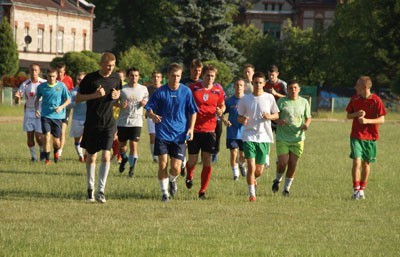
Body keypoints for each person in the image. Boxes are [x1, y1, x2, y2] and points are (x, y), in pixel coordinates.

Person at [145, 63, 198, 202]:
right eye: (173, 76)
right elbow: (148, 109)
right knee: (163, 164)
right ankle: (164, 194)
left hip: (179, 135)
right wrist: (152, 115)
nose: (176, 78)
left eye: (178, 76)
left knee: (175, 168)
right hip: (162, 133)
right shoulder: (160, 92)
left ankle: (172, 180)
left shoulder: (186, 91)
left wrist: (191, 128)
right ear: (168, 75)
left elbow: (193, 111)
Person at [76, 52, 122, 203]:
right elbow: (78, 98)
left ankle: (101, 191)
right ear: (101, 64)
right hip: (92, 123)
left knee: (106, 155)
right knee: (91, 156)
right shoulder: (90, 78)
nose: (110, 69)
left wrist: (117, 95)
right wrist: (94, 95)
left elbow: (118, 92)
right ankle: (90, 189)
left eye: (113, 66)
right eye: (108, 65)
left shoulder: (116, 78)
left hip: (109, 123)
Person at [237, 72, 279, 202]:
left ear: (264, 84)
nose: (258, 85)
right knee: (251, 166)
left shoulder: (269, 97)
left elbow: (276, 115)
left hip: (264, 137)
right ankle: (252, 194)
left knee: (259, 171)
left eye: (261, 83)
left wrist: (269, 117)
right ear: (252, 83)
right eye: (256, 82)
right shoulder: (245, 99)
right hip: (249, 135)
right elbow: (238, 117)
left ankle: (254, 180)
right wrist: (243, 119)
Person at [185, 64, 225, 200]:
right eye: (208, 75)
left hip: (210, 130)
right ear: (203, 75)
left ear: (215, 77)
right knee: (193, 160)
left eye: (212, 76)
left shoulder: (218, 91)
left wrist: (221, 110)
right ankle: (189, 174)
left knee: (207, 160)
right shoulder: (193, 88)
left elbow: (222, 105)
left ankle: (202, 191)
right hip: (194, 129)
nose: (210, 78)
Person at [345, 76, 386, 200]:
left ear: (365, 87)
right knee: (356, 161)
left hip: (371, 137)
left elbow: (382, 120)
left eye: (357, 85)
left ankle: (362, 190)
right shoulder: (354, 99)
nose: (355, 87)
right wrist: (356, 114)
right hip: (356, 135)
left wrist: (367, 120)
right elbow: (348, 115)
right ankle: (355, 190)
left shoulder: (376, 100)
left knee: (366, 164)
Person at [271, 80, 311, 197]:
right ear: (287, 90)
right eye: (290, 88)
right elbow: (274, 116)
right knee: (283, 162)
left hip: (298, 138)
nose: (293, 90)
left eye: (295, 88)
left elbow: (308, 117)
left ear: (299, 89)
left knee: (293, 164)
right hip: (283, 137)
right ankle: (277, 180)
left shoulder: (304, 102)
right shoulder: (282, 102)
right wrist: (279, 121)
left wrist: (306, 125)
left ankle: (286, 189)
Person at [34, 68, 71, 164]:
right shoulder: (41, 87)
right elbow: (37, 99)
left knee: (56, 141)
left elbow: (68, 100)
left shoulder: (61, 86)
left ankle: (56, 153)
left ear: (56, 76)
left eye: (53, 76)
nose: (51, 78)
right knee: (46, 136)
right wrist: (36, 109)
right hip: (45, 116)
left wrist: (61, 107)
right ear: (46, 76)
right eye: (49, 76)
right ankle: (47, 159)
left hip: (58, 117)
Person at [117, 67, 149, 177]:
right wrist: (120, 105)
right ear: (127, 76)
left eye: (136, 75)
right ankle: (124, 158)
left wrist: (145, 103)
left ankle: (131, 169)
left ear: (138, 77)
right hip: (123, 121)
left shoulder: (143, 89)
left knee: (133, 144)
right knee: (122, 145)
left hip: (137, 121)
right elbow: (113, 102)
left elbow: (147, 100)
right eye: (132, 75)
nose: (134, 77)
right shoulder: (122, 88)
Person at [15, 63, 46, 161]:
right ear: (29, 71)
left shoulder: (44, 83)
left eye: (36, 70)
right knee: (29, 136)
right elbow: (17, 99)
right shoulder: (25, 84)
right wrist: (17, 98)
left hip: (40, 112)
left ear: (39, 71)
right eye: (32, 70)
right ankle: (33, 157)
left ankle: (42, 151)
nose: (34, 72)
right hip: (28, 112)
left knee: (39, 137)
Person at [220, 78, 247, 180]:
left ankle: (241, 163)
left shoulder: (248, 100)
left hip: (245, 132)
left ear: (244, 87)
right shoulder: (229, 101)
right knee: (233, 152)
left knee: (243, 155)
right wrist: (225, 121)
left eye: (241, 85)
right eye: (237, 85)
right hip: (232, 132)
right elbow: (221, 112)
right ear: (234, 86)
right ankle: (235, 173)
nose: (239, 87)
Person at [180, 59, 203, 176]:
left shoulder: (203, 84)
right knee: (183, 140)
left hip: (197, 119)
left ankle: (186, 164)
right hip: (184, 116)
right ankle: (183, 162)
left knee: (191, 142)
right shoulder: (183, 83)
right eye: (195, 70)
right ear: (190, 70)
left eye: (199, 71)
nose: (197, 73)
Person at [55, 63, 74, 159]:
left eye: (61, 72)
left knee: (62, 131)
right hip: (55, 109)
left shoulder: (69, 80)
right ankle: (56, 148)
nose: (59, 74)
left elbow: (71, 94)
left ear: (64, 71)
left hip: (66, 108)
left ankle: (60, 152)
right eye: (58, 72)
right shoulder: (53, 79)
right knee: (55, 133)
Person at [69, 72, 87, 162]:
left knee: (88, 138)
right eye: (79, 79)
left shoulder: (90, 91)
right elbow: (68, 105)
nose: (81, 81)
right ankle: (80, 156)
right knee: (77, 138)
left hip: (88, 118)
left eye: (83, 79)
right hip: (76, 118)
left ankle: (86, 155)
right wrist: (75, 102)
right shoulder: (73, 92)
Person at [264, 65, 287, 132]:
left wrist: (276, 94)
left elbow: (288, 98)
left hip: (280, 112)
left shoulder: (282, 84)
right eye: (269, 75)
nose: (271, 77)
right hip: (268, 113)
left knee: (280, 135)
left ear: (277, 74)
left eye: (273, 75)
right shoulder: (264, 83)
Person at [146, 70, 163, 162]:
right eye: (154, 77)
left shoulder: (164, 88)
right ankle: (155, 157)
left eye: (158, 77)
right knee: (152, 136)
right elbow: (146, 101)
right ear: (152, 78)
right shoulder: (148, 89)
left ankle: (162, 154)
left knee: (160, 136)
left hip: (162, 116)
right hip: (151, 115)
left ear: (161, 79)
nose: (156, 78)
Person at [111, 69, 127, 163]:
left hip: (122, 116)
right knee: (113, 137)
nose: (119, 79)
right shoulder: (112, 86)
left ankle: (119, 155)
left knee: (118, 137)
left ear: (124, 78)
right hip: (111, 115)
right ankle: (117, 154)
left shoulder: (126, 87)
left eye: (121, 77)